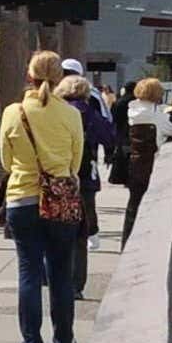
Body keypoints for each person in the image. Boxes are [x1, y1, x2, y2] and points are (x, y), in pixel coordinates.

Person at [0, 51, 93, 343]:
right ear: (59, 78)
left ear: (29, 75)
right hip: (60, 198)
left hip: (22, 198)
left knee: (29, 272)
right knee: (61, 273)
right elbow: (75, 163)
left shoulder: (13, 112)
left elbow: (5, 161)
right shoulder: (71, 114)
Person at [117, 78, 172, 236]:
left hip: (131, 164)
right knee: (144, 209)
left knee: (133, 206)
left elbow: (160, 116)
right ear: (157, 95)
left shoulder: (132, 109)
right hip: (149, 168)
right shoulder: (157, 117)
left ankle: (126, 241)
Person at [59, 58, 119, 236]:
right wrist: (109, 150)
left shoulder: (54, 98)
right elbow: (107, 128)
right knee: (86, 198)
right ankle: (89, 231)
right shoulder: (90, 101)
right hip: (86, 158)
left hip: (58, 160)